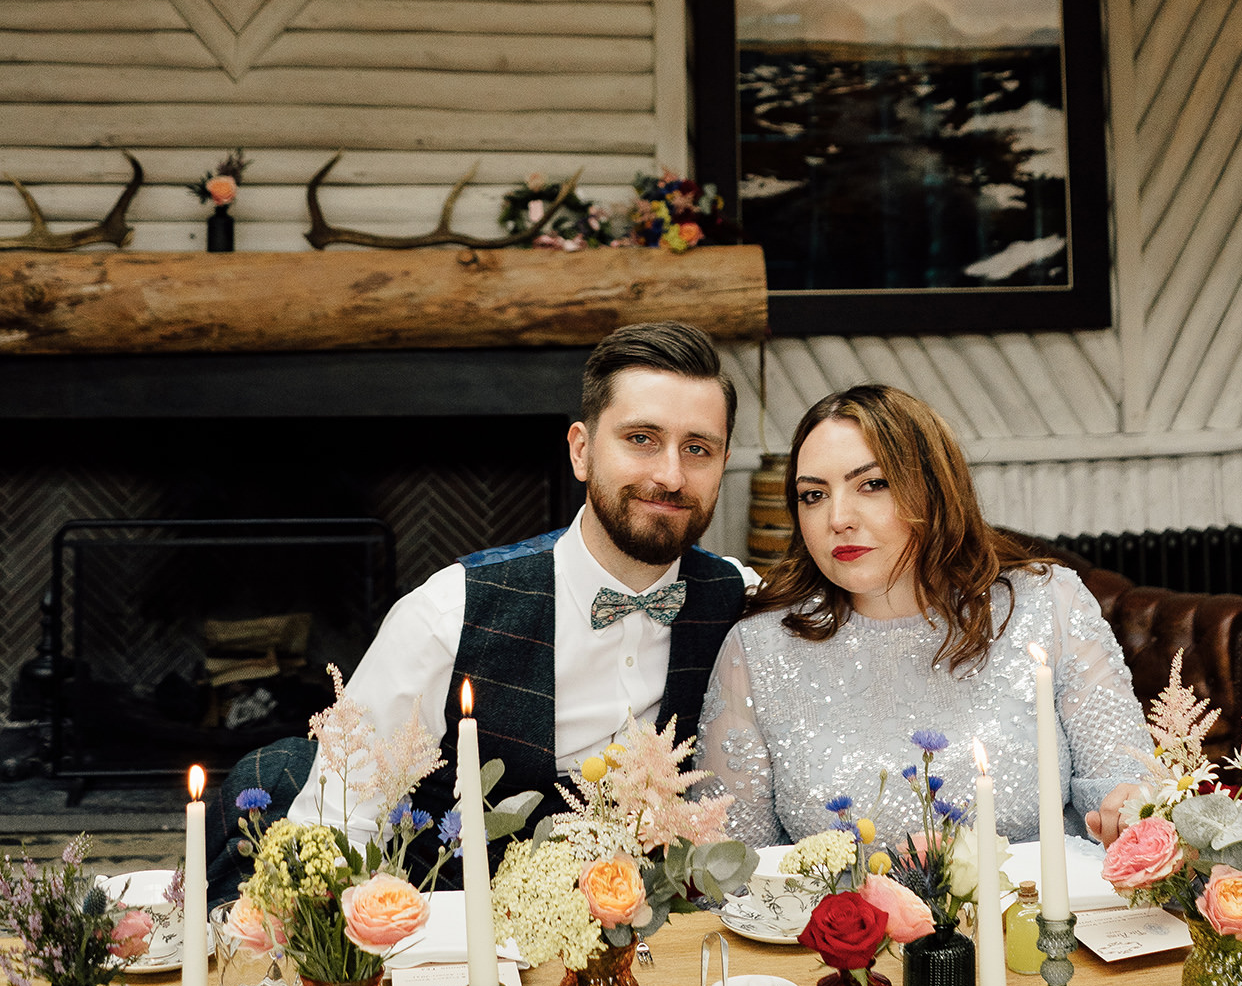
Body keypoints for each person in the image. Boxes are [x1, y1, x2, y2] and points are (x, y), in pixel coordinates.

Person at [207, 322, 751, 900]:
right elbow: (340, 818)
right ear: (582, 451)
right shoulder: (448, 612)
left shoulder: (739, 600)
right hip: (445, 917)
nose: (669, 475)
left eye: (697, 448)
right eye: (641, 438)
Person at [698, 384, 1150, 852]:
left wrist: (1134, 806)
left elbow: (1124, 791)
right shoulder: (759, 650)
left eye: (873, 484)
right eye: (813, 495)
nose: (838, 518)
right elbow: (732, 869)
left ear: (933, 490)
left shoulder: (1048, 604)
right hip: (841, 926)